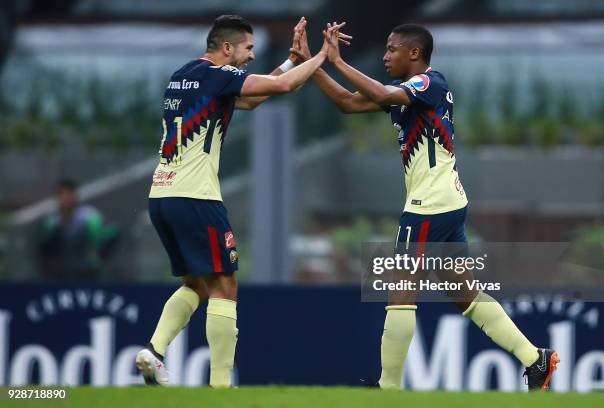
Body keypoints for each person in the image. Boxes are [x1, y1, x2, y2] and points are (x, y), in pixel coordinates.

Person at [293, 22, 559, 391]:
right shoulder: (407, 92)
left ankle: (387, 389)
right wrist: (314, 64)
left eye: (392, 49)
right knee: (466, 294)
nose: (385, 56)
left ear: (414, 54)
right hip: (446, 202)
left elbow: (384, 96)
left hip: (429, 205)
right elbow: (349, 103)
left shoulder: (429, 83)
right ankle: (536, 358)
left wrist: (337, 60)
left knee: (400, 291)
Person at [136, 15, 343, 387]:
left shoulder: (184, 75)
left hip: (163, 195)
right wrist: (323, 57)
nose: (250, 56)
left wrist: (293, 61)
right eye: (248, 49)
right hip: (196, 196)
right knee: (225, 285)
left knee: (197, 285)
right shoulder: (218, 75)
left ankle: (153, 351)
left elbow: (249, 99)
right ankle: (220, 386)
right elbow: (281, 87)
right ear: (227, 48)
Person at [38, 179, 117, 280]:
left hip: (87, 273)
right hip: (58, 275)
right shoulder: (50, 222)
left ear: (75, 196)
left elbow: (112, 232)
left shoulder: (90, 217)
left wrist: (98, 257)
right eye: (61, 194)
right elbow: (44, 250)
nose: (65, 198)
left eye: (68, 193)